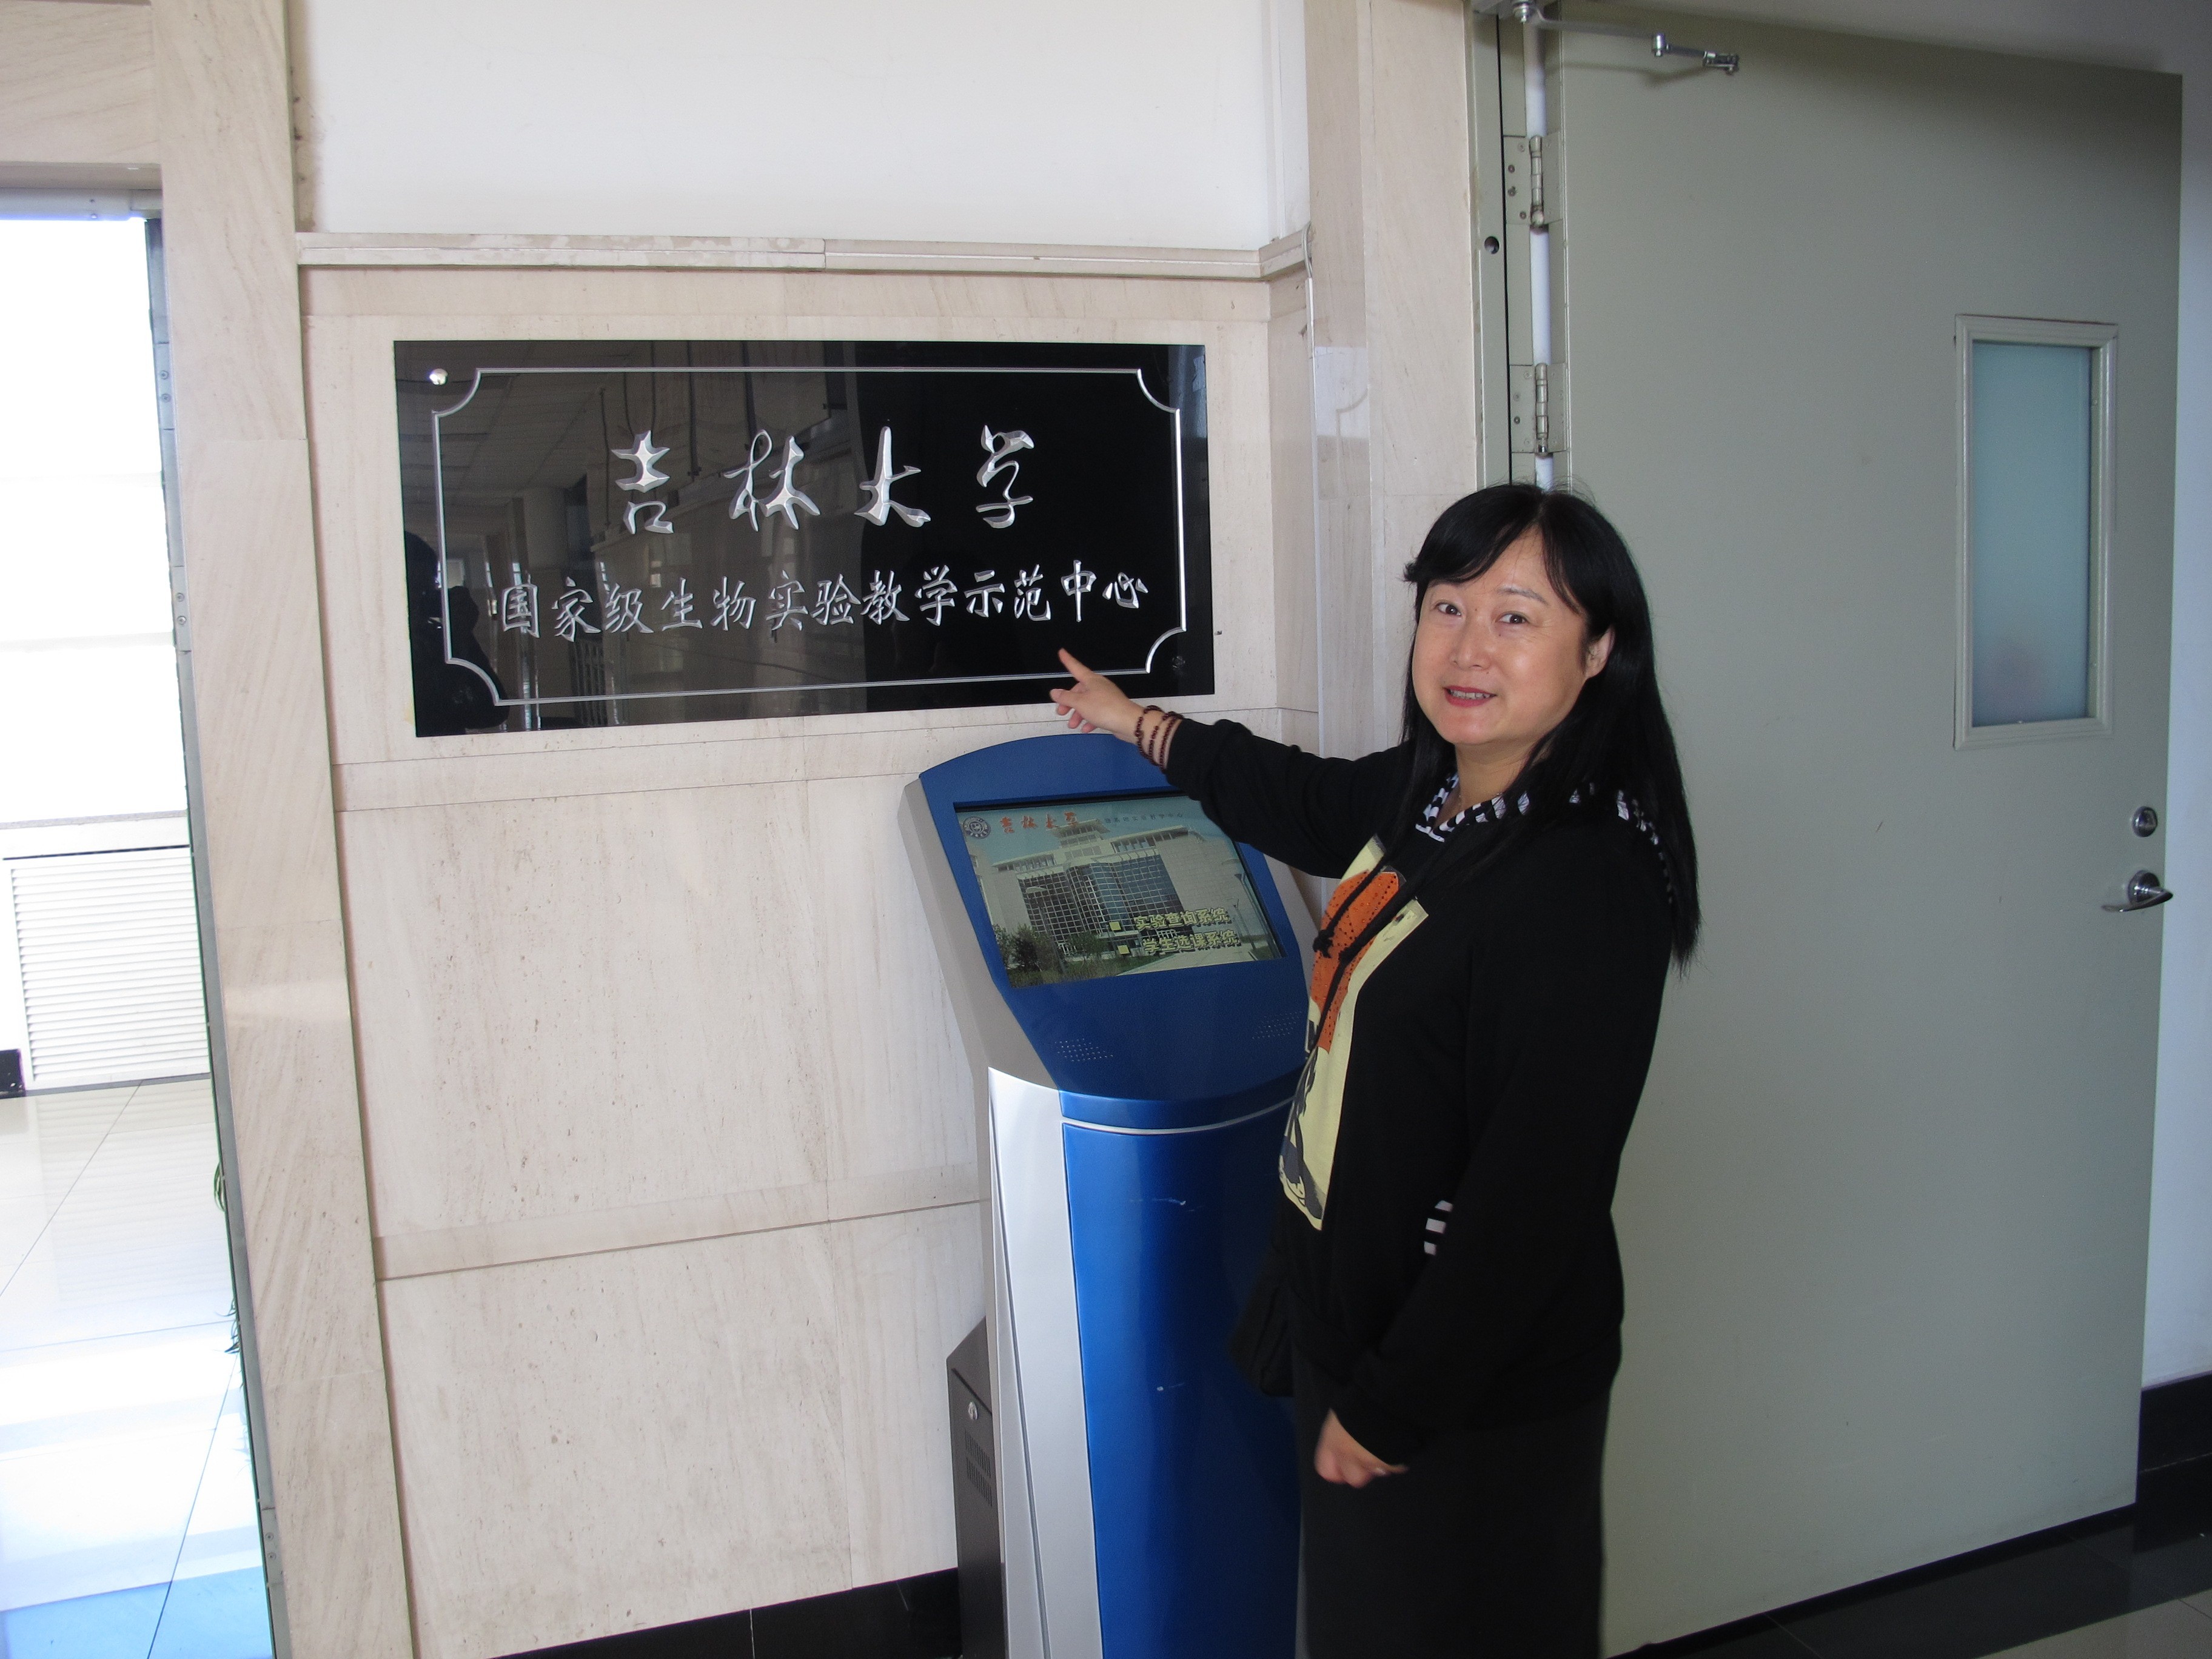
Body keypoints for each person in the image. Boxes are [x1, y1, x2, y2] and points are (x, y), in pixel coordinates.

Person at [1050, 483, 1699, 1658]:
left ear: (1599, 649)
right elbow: (1296, 796)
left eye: (1516, 617)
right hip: (1362, 1320)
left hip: (1466, 1380)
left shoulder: (1581, 882)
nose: (1467, 648)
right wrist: (1137, 723)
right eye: (1446, 608)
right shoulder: (1435, 796)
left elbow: (1534, 1195)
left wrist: (1395, 1406)